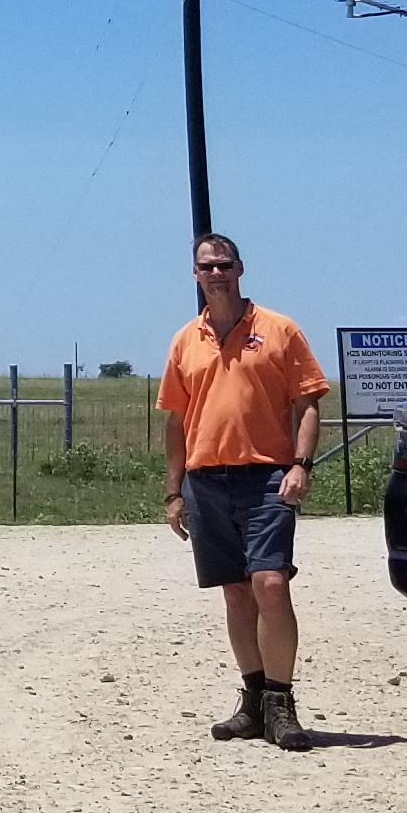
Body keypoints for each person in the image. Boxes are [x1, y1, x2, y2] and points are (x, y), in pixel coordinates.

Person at [157, 234, 330, 748]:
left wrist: (301, 464)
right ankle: (253, 702)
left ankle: (281, 702)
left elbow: (308, 403)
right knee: (235, 591)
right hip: (205, 481)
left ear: (240, 269)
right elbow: (175, 420)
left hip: (267, 478)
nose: (216, 274)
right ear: (194, 275)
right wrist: (173, 491)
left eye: (224, 264)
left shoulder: (279, 330)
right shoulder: (185, 339)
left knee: (270, 584)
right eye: (206, 267)